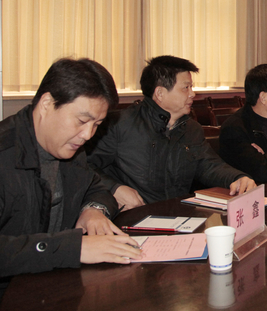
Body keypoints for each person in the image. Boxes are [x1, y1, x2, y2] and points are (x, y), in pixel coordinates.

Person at [0, 58, 142, 311]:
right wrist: (71, 248)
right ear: (47, 104)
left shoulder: (71, 149)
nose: (88, 135)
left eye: (97, 125)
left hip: (53, 290)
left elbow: (96, 188)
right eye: (82, 121)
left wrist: (93, 210)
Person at [87, 55, 256, 210]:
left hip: (178, 214)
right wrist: (115, 189)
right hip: (134, 214)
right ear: (160, 93)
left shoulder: (191, 129)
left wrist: (237, 178)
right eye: (186, 88)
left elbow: (209, 165)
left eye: (191, 87)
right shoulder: (119, 124)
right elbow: (85, 166)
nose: (192, 94)